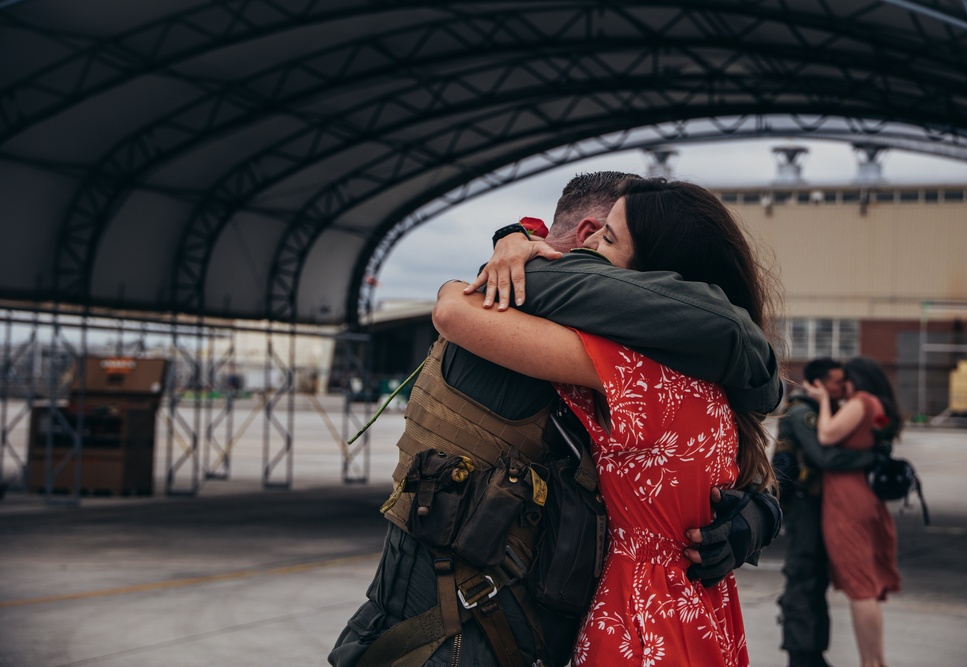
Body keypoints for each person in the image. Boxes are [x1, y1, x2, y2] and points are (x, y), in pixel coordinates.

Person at [329, 172, 783, 667]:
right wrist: (489, 263)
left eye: (611, 238)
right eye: (602, 235)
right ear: (587, 231)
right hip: (448, 642)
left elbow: (703, 464)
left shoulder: (648, 366)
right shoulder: (538, 337)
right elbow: (456, 313)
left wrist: (758, 511)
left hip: (560, 636)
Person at [773, 358, 879, 667]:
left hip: (816, 507)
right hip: (804, 507)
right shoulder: (802, 411)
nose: (842, 387)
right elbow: (824, 457)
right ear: (818, 383)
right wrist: (870, 457)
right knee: (803, 576)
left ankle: (813, 650)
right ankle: (802, 654)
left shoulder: (820, 410)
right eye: (836, 381)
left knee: (815, 578)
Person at [804, 357, 902, 667]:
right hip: (866, 496)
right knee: (866, 585)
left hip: (847, 500)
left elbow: (826, 435)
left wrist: (821, 403)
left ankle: (869, 664)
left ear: (855, 379)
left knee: (860, 587)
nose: (841, 387)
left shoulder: (861, 401)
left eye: (844, 380)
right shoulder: (879, 407)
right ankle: (877, 661)